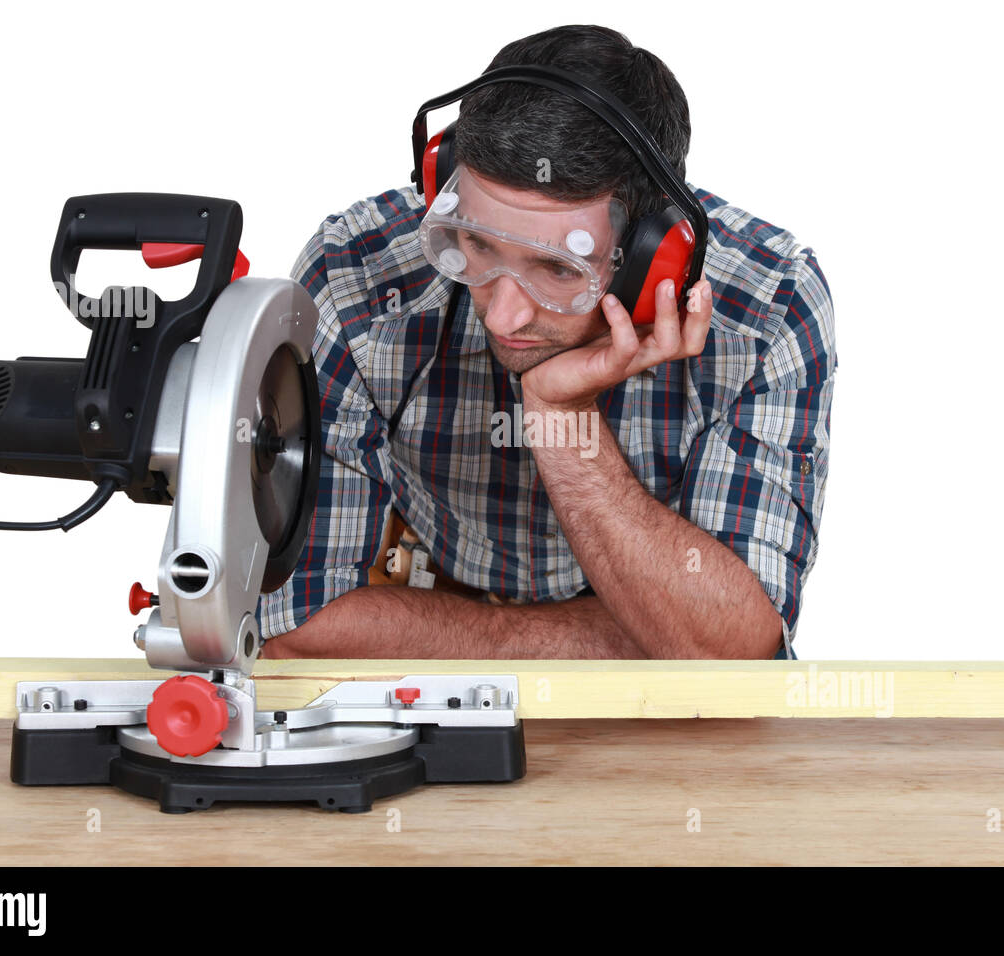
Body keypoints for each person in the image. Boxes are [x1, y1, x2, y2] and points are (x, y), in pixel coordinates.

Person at [257, 24, 836, 660]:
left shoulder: (766, 306)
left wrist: (564, 417)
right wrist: (634, 637)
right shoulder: (356, 272)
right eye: (475, 243)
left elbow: (735, 654)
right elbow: (293, 620)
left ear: (654, 260)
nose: (504, 315)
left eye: (559, 269)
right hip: (426, 656)